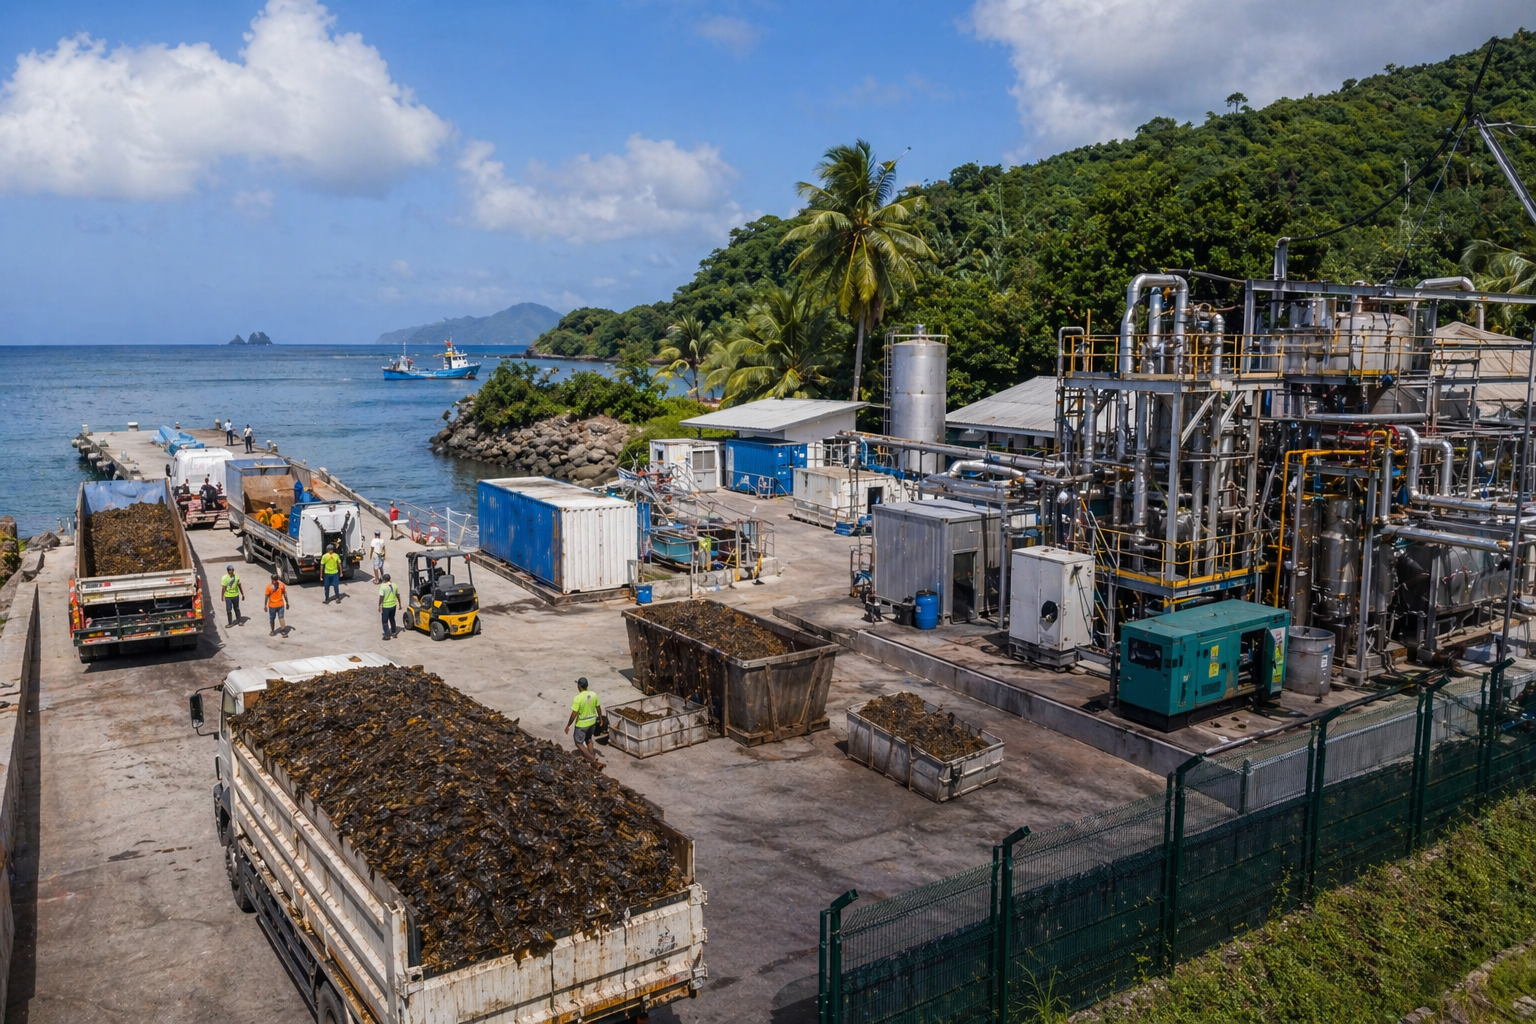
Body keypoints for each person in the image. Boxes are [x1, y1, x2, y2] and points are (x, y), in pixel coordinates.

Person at [564, 677, 603, 766]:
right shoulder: (593, 694)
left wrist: (568, 725)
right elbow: (598, 707)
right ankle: (591, 758)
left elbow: (574, 713)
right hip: (592, 722)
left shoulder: (578, 698)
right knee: (588, 739)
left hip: (582, 724)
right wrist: (600, 718)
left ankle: (592, 759)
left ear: (579, 686)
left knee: (578, 742)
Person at [378, 573, 400, 640]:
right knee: (392, 619)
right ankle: (394, 632)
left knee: (384, 621)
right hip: (393, 605)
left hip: (386, 606)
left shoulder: (383, 587)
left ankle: (387, 635)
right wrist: (400, 604)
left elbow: (381, 597)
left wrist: (379, 606)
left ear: (384, 580)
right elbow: (398, 595)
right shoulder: (395, 585)